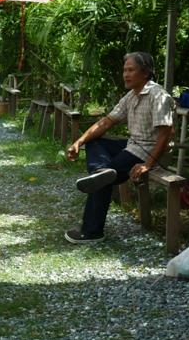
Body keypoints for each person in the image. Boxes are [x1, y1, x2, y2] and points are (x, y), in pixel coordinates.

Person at [65, 52, 174, 244]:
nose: (126, 74)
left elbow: (166, 134)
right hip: (133, 146)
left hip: (152, 153)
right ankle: (101, 170)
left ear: (146, 72)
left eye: (131, 70)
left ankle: (92, 231)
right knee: (95, 142)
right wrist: (79, 142)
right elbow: (106, 122)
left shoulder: (158, 95)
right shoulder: (131, 96)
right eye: (124, 70)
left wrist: (148, 165)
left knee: (103, 180)